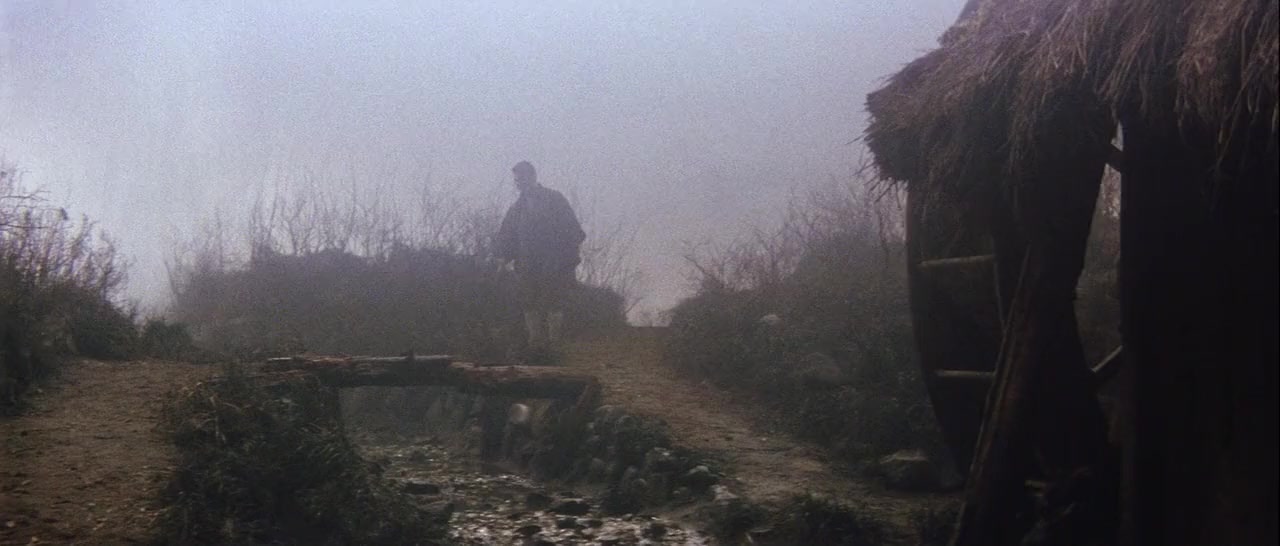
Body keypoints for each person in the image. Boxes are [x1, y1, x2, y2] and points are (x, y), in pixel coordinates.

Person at [495, 160, 586, 356]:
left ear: (532, 177)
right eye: (517, 180)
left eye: (522, 179)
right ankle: (535, 344)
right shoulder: (517, 208)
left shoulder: (555, 199)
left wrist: (568, 257)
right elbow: (507, 235)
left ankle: (554, 344)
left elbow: (573, 229)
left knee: (554, 301)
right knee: (528, 302)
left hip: (554, 261)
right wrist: (502, 257)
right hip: (527, 263)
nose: (519, 183)